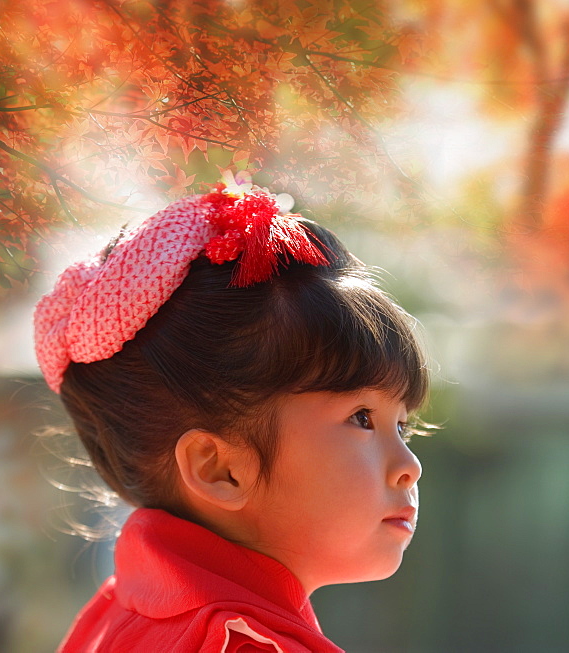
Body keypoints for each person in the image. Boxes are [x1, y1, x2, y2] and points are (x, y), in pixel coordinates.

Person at [33, 175, 429, 652]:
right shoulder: (242, 643)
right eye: (361, 417)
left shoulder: (119, 616)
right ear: (219, 467)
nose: (410, 466)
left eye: (402, 425)